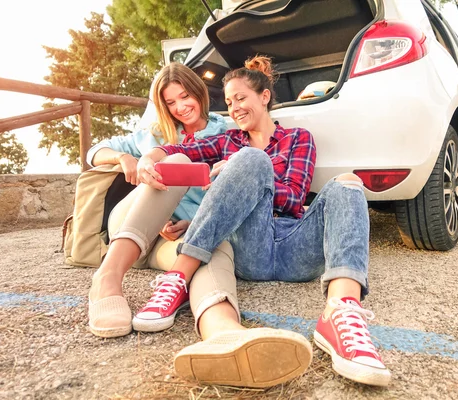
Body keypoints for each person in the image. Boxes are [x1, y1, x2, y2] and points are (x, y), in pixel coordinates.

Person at [135, 56, 391, 387]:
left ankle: (340, 311)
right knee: (250, 158)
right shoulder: (227, 141)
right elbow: (174, 149)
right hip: (251, 248)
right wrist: (147, 159)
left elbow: (295, 197)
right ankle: (177, 281)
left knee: (348, 183)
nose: (235, 107)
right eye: (228, 102)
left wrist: (248, 174)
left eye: (241, 98)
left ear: (264, 97)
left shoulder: (298, 138)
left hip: (295, 248)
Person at [87, 62, 233, 337]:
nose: (181, 107)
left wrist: (193, 222)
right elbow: (93, 152)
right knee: (176, 160)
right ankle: (107, 279)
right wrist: (125, 158)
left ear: (199, 92)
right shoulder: (152, 135)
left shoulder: (227, 133)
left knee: (212, 248)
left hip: (169, 241)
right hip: (130, 227)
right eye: (171, 102)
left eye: (185, 96)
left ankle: (221, 327)